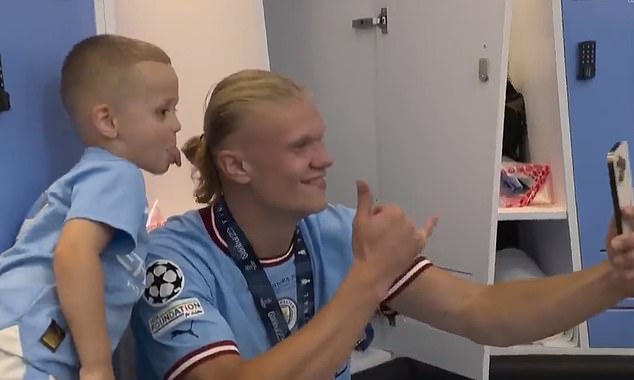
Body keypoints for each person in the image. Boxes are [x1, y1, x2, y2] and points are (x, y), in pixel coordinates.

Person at [131, 69, 634, 380]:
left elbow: (482, 312)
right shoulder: (172, 261)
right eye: (300, 147)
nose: (325, 159)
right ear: (237, 166)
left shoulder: (335, 230)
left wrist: (614, 278)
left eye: (321, 140)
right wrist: (368, 279)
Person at [0, 34, 182, 380]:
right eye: (163, 110)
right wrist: (97, 366)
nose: (176, 124)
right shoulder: (119, 176)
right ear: (108, 122)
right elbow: (74, 255)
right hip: (29, 348)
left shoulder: (92, 177)